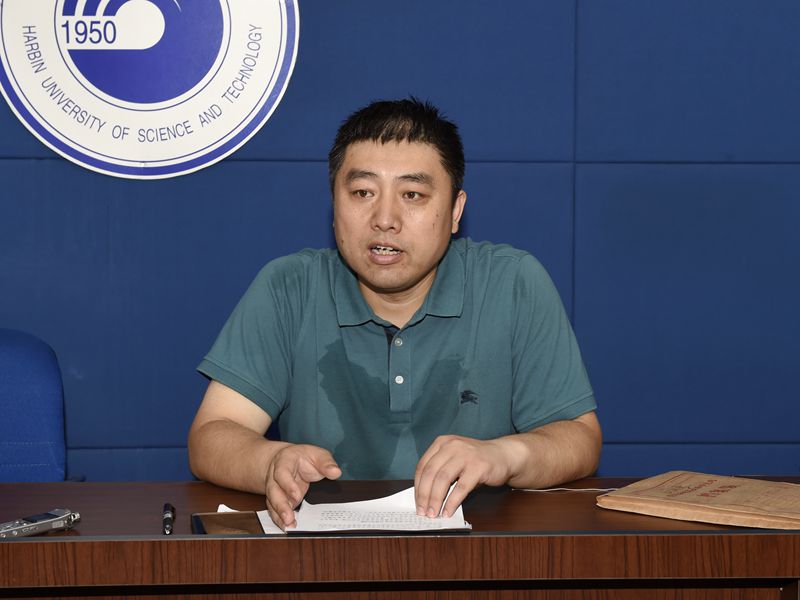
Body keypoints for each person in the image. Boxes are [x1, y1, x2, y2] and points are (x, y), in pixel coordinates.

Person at [188, 98, 602, 529]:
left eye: (412, 195)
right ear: (334, 205)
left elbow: (578, 437)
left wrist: (504, 455)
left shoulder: (513, 283)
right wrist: (270, 461)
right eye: (362, 193)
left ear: (455, 211)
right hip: (324, 558)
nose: (385, 219)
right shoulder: (289, 286)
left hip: (480, 551)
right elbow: (213, 433)